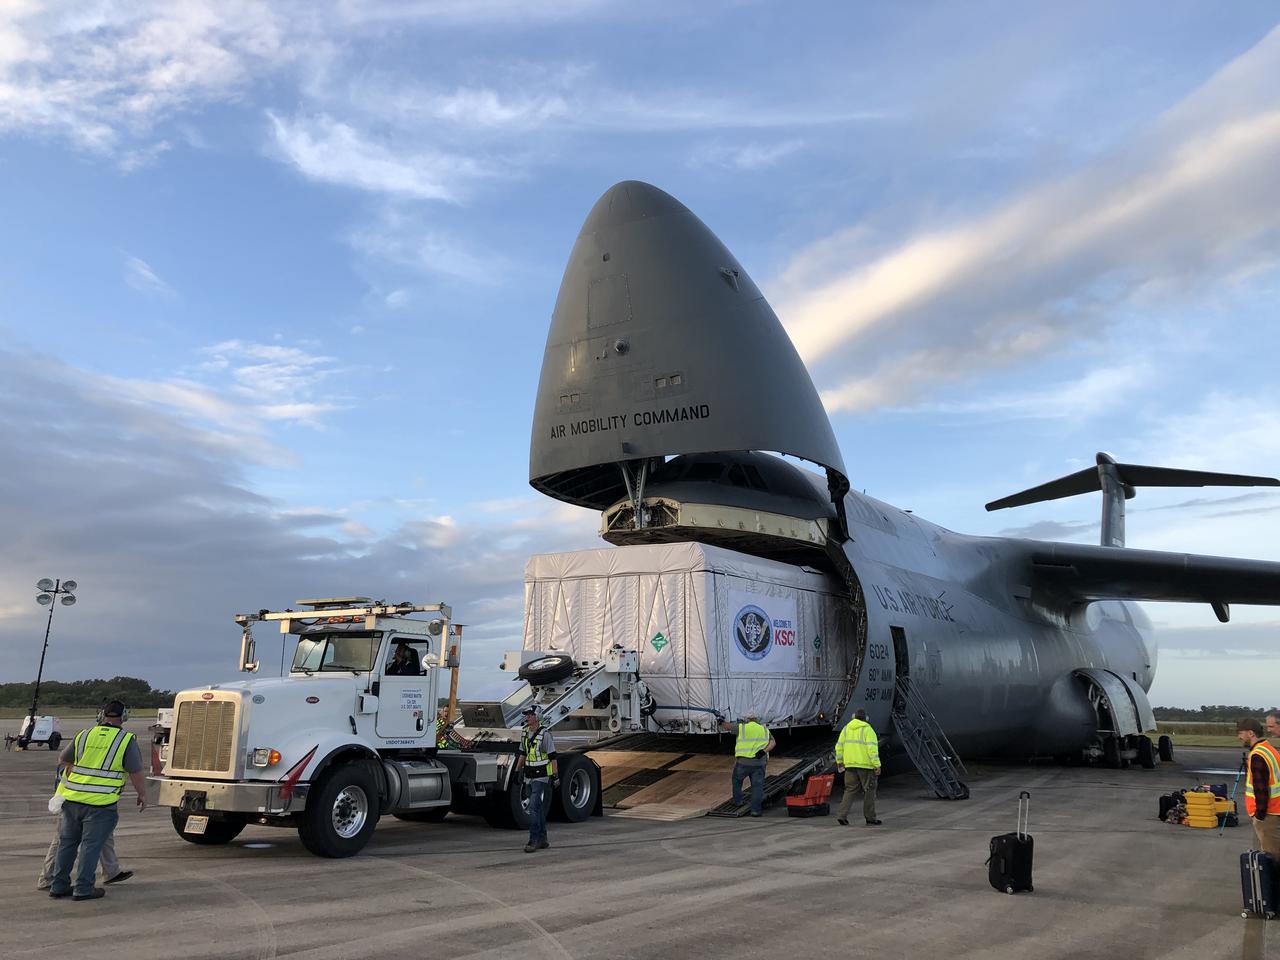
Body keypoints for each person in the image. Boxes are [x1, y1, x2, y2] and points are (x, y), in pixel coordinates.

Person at [48, 700, 147, 901]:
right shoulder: (126, 740)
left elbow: (63, 759)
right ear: (124, 716)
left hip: (73, 799)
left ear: (101, 715)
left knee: (67, 844)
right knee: (90, 847)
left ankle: (58, 886)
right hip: (101, 804)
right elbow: (135, 771)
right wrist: (142, 794)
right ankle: (83, 889)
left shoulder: (84, 734)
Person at [37, 759, 131, 889]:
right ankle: (48, 878)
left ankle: (111, 871)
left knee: (103, 835)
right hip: (76, 797)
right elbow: (66, 761)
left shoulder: (94, 744)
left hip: (92, 797)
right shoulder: (88, 743)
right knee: (62, 839)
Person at [717, 710, 775, 817]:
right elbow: (773, 743)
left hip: (742, 762)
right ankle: (755, 811)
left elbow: (728, 727)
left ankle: (738, 801)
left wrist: (721, 721)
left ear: (746, 719)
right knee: (757, 787)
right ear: (757, 719)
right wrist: (763, 752)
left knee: (737, 781)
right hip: (759, 763)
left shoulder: (742, 728)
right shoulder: (764, 730)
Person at [515, 707, 557, 853]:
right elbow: (522, 753)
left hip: (541, 775)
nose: (528, 717)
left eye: (531, 715)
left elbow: (552, 757)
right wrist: (517, 771)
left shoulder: (545, 735)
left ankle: (534, 840)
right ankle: (543, 839)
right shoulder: (525, 733)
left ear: (537, 717)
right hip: (529, 775)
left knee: (533, 807)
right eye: (527, 715)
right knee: (537, 808)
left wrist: (554, 775)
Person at [1237, 717, 1280, 858]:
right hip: (1275, 810)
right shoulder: (1269, 749)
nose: (1239, 737)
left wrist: (1259, 816)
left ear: (1251, 733)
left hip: (1269, 815)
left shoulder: (1258, 755)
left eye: (1240, 733)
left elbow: (1261, 789)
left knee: (1272, 859)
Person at [834, 708, 882, 826]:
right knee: (869, 791)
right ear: (866, 719)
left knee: (849, 790)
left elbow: (838, 747)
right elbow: (872, 749)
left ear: (853, 717)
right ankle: (870, 817)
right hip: (866, 767)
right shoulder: (868, 730)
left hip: (850, 765)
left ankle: (841, 815)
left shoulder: (846, 729)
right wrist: (877, 765)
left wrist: (840, 761)